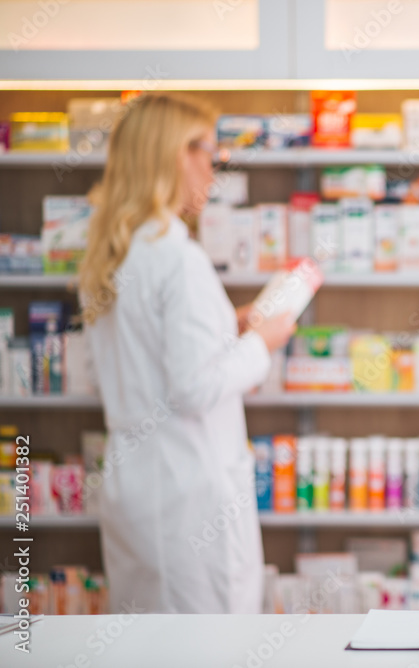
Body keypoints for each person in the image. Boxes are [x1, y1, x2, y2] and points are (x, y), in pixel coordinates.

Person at [78, 93, 296, 613]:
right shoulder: (177, 256)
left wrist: (229, 325)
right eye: (208, 152)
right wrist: (261, 342)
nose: (213, 169)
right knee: (207, 646)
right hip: (189, 496)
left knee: (148, 641)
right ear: (176, 154)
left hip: (137, 484)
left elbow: (147, 355)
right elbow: (194, 387)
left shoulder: (116, 249)